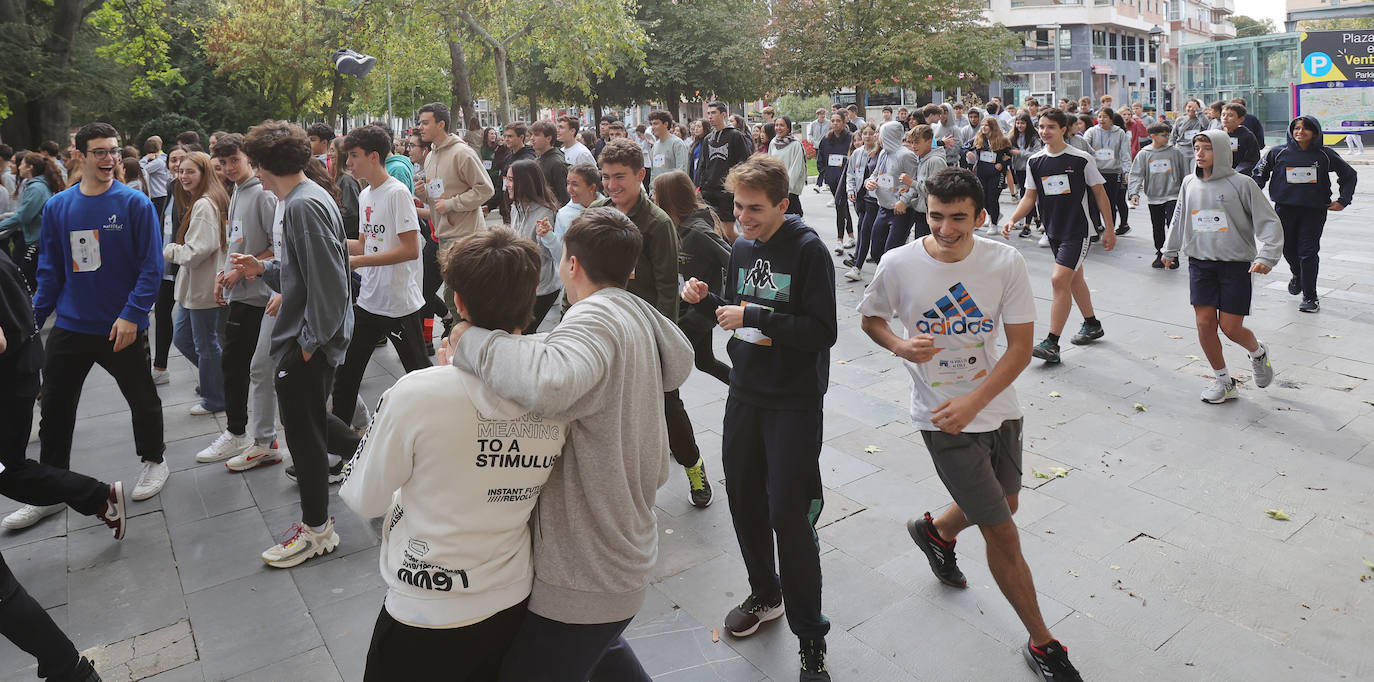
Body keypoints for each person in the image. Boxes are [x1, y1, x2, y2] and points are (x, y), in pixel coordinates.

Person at [442, 206, 691, 681]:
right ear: (630, 270)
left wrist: (468, 339)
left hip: (588, 567)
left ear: (571, 264)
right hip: (619, 550)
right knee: (603, 657)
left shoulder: (594, 318)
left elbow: (551, 384)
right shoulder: (631, 312)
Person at [858, 168, 1084, 682]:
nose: (945, 228)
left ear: (979, 216)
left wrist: (977, 401)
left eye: (958, 217)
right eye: (936, 216)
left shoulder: (1003, 262)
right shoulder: (899, 263)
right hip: (941, 417)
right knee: (1002, 533)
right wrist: (898, 345)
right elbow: (870, 317)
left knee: (1007, 502)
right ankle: (1043, 643)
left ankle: (935, 532)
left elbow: (1023, 347)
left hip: (998, 409)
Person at [339, 226, 562, 681]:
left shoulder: (417, 392)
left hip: (425, 605)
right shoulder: (558, 388)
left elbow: (364, 498)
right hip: (512, 596)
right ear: (532, 298)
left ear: (457, 302)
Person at [680, 155, 836, 682]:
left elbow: (820, 331)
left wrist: (752, 315)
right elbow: (743, 311)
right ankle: (765, 593)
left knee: (787, 516)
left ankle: (811, 636)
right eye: (738, 207)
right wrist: (709, 301)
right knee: (744, 499)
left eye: (755, 209)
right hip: (745, 392)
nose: (743, 218)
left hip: (793, 398)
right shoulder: (741, 247)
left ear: (783, 205)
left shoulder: (809, 249)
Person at [11, 122, 167, 532]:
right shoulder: (60, 206)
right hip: (72, 326)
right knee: (56, 409)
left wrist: (133, 315)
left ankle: (154, 460)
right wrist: (32, 321)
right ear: (80, 154)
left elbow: (152, 268)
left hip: (121, 327)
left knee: (142, 398)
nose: (109, 159)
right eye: (99, 151)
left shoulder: (134, 204)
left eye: (114, 151)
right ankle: (51, 489)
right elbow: (50, 271)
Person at [230, 121, 357, 568]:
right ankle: (378, 457)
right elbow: (305, 274)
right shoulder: (303, 199)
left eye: (254, 164)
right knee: (310, 421)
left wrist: (309, 343)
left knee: (303, 438)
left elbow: (332, 284)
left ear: (264, 165)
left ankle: (317, 530)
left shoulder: (302, 205)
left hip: (308, 342)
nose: (253, 173)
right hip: (307, 337)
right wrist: (261, 271)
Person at [1, 245, 126, 682]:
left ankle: (69, 669)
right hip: (19, 372)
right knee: (10, 470)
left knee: (11, 469)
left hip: (13, 380)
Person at [592, 139, 707, 508]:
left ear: (641, 175)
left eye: (620, 177)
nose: (611, 185)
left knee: (669, 406)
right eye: (606, 177)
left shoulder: (657, 224)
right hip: (605, 329)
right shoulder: (597, 212)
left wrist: (661, 348)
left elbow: (666, 292)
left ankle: (694, 468)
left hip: (647, 332)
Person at [327, 124, 434, 439]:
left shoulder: (398, 193)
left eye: (355, 156)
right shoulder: (365, 193)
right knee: (346, 376)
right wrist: (330, 242)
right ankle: (339, 448)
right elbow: (364, 244)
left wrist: (359, 262)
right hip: (370, 301)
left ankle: (439, 431)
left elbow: (410, 249)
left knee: (418, 374)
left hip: (399, 303)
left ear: (374, 157)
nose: (350, 164)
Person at [1163, 129, 1281, 403]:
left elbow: (1269, 220)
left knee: (1230, 328)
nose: (1200, 153)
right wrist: (1170, 249)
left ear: (1223, 151)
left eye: (1207, 148)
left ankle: (1258, 352)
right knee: (1205, 324)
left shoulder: (1242, 184)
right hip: (1200, 263)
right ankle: (1223, 381)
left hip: (1235, 265)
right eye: (1197, 148)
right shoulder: (1189, 182)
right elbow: (1179, 216)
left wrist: (1267, 256)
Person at [1000, 108, 1116, 365]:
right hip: (1053, 230)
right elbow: (1029, 197)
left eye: (1051, 127)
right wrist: (1012, 219)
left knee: (1058, 280)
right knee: (1074, 280)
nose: (1044, 132)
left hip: (1078, 230)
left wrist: (1108, 228)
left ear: (1063, 129)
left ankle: (1052, 342)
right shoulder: (1035, 161)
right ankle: (1092, 324)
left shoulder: (1082, 159)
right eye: (1041, 127)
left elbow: (1100, 194)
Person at [1253, 116, 1356, 313]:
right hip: (1284, 209)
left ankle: (1310, 297)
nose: (1300, 132)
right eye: (1297, 128)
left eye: (1306, 129)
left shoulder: (1325, 154)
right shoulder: (1277, 152)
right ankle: (1297, 274)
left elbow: (1349, 175)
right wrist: (1251, 200)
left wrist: (1343, 200)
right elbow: (1258, 175)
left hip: (1314, 211)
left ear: (1315, 132)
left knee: (1308, 252)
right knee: (1287, 249)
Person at [413, 102, 496, 327]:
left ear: (441, 124)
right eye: (420, 122)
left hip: (466, 236)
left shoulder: (462, 153)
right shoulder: (429, 156)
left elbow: (486, 189)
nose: (420, 127)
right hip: (443, 237)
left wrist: (451, 204)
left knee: (459, 298)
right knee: (454, 298)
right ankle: (462, 340)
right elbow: (437, 197)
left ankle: (473, 341)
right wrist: (424, 195)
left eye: (425, 122)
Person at [164, 151, 230, 416]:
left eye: (190, 171)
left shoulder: (204, 204)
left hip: (203, 288)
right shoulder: (205, 200)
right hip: (197, 289)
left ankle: (217, 396)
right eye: (181, 171)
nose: (183, 177)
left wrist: (168, 250)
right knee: (185, 339)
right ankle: (220, 383)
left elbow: (196, 251)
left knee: (204, 344)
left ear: (204, 173)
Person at [653, 170, 731, 387]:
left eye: (655, 194)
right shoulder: (671, 226)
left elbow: (736, 260)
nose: (652, 198)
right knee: (705, 362)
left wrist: (726, 296)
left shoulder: (699, 232)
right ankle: (746, 390)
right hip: (684, 306)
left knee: (660, 363)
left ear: (669, 198)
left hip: (700, 311)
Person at [505, 160, 564, 331]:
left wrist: (544, 236)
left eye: (511, 180)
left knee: (522, 332)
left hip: (541, 288)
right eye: (507, 179)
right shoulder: (516, 206)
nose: (507, 185)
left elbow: (552, 255)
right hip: (521, 283)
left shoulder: (546, 212)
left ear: (526, 182)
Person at [150, 145, 189, 385]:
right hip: (166, 262)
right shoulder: (169, 187)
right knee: (162, 312)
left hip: (184, 261)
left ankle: (213, 372)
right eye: (173, 160)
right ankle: (160, 366)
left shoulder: (194, 191)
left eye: (182, 160)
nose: (177, 164)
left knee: (191, 323)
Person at [1128, 123, 1190, 269]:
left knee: (1172, 225)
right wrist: (1134, 193)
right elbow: (1136, 174)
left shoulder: (1175, 152)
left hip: (1173, 195)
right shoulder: (1144, 153)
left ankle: (1172, 254)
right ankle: (1159, 253)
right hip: (1154, 197)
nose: (1167, 137)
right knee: (1157, 226)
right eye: (1164, 135)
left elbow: (1185, 173)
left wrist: (1186, 192)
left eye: (1168, 134)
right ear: (1153, 136)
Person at [0, 154, 60, 292]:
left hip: (37, 241)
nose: (18, 166)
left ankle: (29, 310)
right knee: (23, 276)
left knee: (23, 278)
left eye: (21, 163)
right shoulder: (34, 186)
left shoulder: (36, 188)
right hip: (34, 239)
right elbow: (24, 212)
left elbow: (23, 216)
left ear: (30, 167)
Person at [863, 120, 919, 264]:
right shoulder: (883, 153)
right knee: (876, 251)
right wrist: (869, 182)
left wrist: (904, 201)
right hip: (882, 208)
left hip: (900, 211)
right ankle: (885, 281)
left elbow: (914, 182)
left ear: (889, 135)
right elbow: (876, 174)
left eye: (880, 134)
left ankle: (889, 284)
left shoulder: (906, 155)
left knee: (892, 253)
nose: (877, 137)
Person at [697, 102, 752, 241]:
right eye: (708, 113)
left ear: (723, 114)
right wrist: (699, 187)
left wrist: (738, 187)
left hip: (727, 192)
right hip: (709, 192)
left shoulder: (735, 136)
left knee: (728, 231)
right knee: (715, 231)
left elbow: (744, 163)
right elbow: (702, 165)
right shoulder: (708, 139)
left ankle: (741, 254)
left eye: (713, 113)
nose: (710, 116)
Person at [1085, 107, 1133, 236]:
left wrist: (1127, 171)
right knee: (1093, 203)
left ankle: (1109, 229)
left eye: (1105, 117)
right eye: (1099, 116)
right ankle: (1096, 228)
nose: (1101, 119)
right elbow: (1085, 150)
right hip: (1096, 172)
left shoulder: (1120, 133)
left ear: (1111, 119)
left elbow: (1125, 154)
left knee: (1110, 203)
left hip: (1113, 172)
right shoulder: (1091, 132)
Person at [896, 124, 948, 242]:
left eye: (917, 142)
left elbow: (936, 191)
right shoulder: (922, 158)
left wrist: (911, 182)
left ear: (929, 142)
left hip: (931, 214)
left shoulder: (935, 161)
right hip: (921, 212)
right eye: (912, 142)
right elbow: (922, 184)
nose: (914, 146)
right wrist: (909, 187)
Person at [842, 123, 881, 281]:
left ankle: (858, 265)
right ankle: (859, 259)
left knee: (865, 229)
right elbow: (850, 175)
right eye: (865, 133)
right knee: (862, 227)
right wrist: (850, 191)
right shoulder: (857, 153)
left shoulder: (880, 153)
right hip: (859, 197)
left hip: (874, 198)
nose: (867, 136)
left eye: (871, 133)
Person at [964, 116, 1011, 230]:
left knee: (992, 198)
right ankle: (994, 215)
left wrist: (1002, 164)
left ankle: (993, 223)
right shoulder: (978, 139)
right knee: (982, 198)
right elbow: (963, 147)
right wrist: (967, 153)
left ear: (992, 127)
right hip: (982, 172)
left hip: (996, 173)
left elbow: (1010, 155)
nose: (983, 128)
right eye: (982, 125)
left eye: (986, 125)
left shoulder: (1002, 140)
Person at [817, 113, 854, 253]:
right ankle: (850, 235)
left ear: (844, 122)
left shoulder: (850, 138)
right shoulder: (826, 139)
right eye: (832, 121)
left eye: (838, 121)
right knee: (842, 205)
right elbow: (820, 158)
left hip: (847, 178)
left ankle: (840, 240)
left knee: (840, 206)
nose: (835, 123)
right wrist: (825, 174)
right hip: (832, 179)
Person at [1008, 112, 1043, 237]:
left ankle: (1027, 226)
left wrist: (1019, 152)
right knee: (1026, 196)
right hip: (1018, 169)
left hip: (1030, 169)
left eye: (1022, 123)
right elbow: (1008, 149)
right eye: (1017, 123)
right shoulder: (1012, 136)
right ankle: (1036, 219)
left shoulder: (1034, 136)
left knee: (1027, 196)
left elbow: (1036, 153)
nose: (1019, 125)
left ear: (1027, 124)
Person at [768, 116, 807, 216]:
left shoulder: (795, 144)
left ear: (788, 128)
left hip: (789, 188)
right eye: (776, 125)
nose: (778, 128)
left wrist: (787, 187)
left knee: (792, 214)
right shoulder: (773, 142)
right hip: (776, 186)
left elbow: (796, 167)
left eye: (782, 125)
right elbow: (769, 163)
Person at [529, 119, 570, 205]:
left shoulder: (557, 163)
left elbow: (563, 196)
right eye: (531, 134)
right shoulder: (537, 160)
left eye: (536, 135)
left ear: (548, 138)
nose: (532, 138)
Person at [330, 137, 362, 239]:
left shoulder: (347, 180)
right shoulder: (341, 178)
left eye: (332, 150)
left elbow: (350, 212)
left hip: (349, 236)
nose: (330, 154)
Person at [648, 110, 690, 184]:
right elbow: (653, 172)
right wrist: (652, 191)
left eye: (655, 124)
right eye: (651, 124)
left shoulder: (677, 144)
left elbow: (681, 172)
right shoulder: (655, 146)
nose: (652, 127)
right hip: (657, 192)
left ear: (666, 124)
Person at [1221, 102, 1260, 176]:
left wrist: (1237, 173)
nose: (1225, 118)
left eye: (1230, 115)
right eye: (1223, 114)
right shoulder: (1216, 133)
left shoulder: (1247, 136)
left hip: (1238, 176)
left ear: (1241, 119)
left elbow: (1251, 160)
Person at [139, 136, 170, 221]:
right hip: (161, 195)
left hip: (158, 196)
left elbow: (140, 170)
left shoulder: (158, 162)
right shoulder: (161, 159)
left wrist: (145, 159)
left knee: (156, 221)